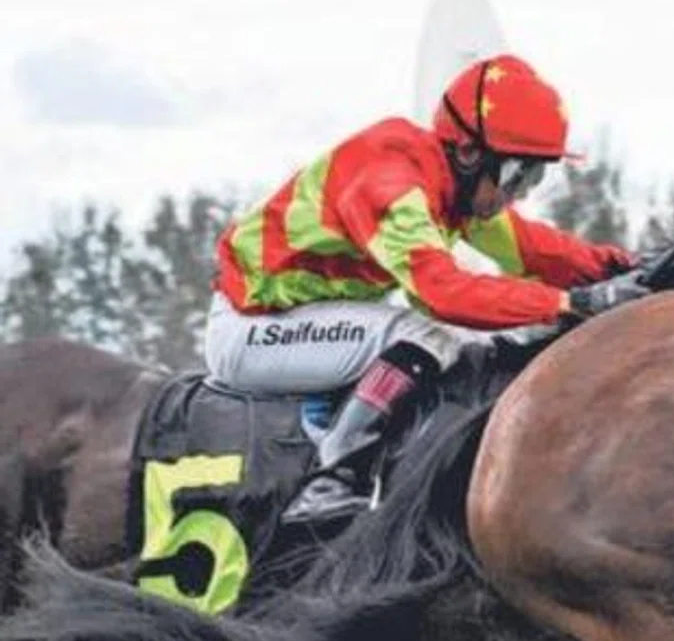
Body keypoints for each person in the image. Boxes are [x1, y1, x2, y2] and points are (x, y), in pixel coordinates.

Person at [204, 54, 642, 523]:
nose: (523, 192)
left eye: (537, 176)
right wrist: (569, 303)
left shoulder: (452, 188)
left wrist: (625, 266)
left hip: (304, 325)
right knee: (426, 335)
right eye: (519, 174)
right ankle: (333, 480)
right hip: (252, 329)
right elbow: (443, 294)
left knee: (451, 342)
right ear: (470, 154)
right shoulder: (392, 182)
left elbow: (534, 250)